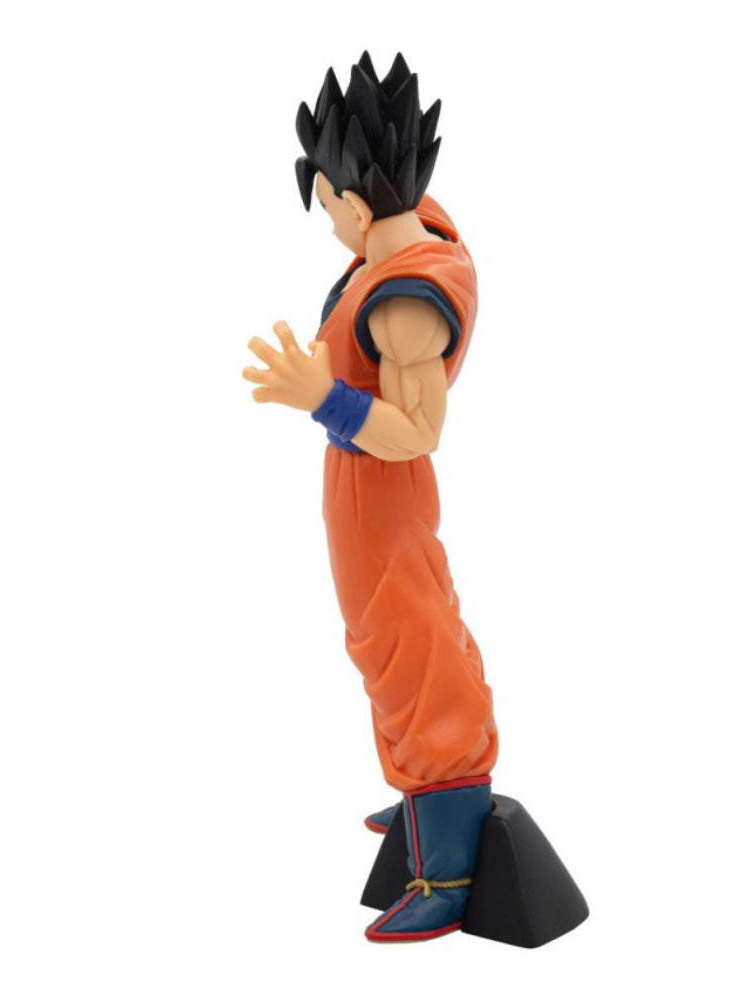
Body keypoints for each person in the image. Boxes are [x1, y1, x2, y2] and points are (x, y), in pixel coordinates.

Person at [243, 52, 498, 942]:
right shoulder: (403, 229)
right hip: (359, 484)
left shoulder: (405, 301)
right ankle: (430, 788)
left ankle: (451, 844)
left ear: (357, 203)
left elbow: (417, 431)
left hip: (384, 481)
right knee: (384, 639)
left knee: (410, 640)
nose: (330, 225)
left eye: (327, 207)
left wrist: (325, 396)